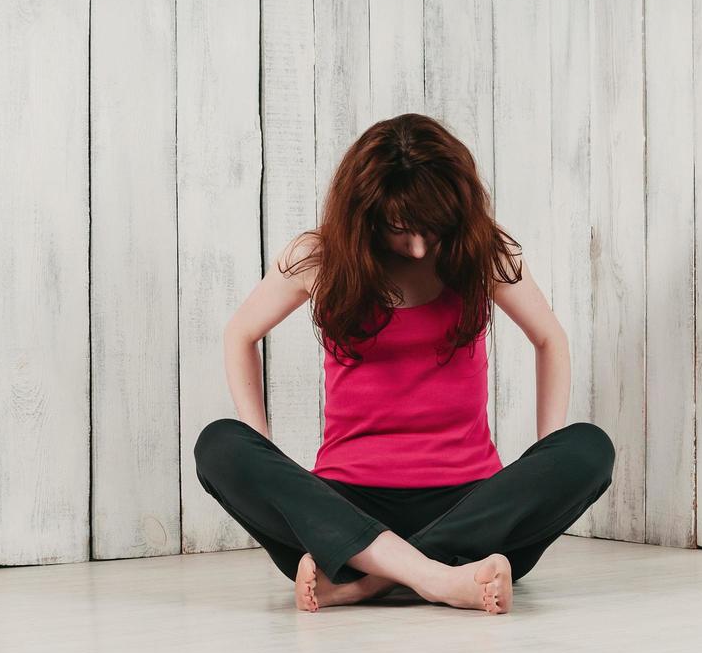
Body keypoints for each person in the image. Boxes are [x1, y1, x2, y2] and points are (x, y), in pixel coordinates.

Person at [193, 113, 615, 615]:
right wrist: (267, 453)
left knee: (589, 449)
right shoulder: (320, 257)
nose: (417, 247)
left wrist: (540, 467)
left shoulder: (482, 249)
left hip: (470, 510)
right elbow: (240, 333)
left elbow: (550, 339)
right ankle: (439, 578)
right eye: (400, 230)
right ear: (366, 213)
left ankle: (365, 582)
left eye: (431, 230)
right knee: (219, 444)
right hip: (342, 511)